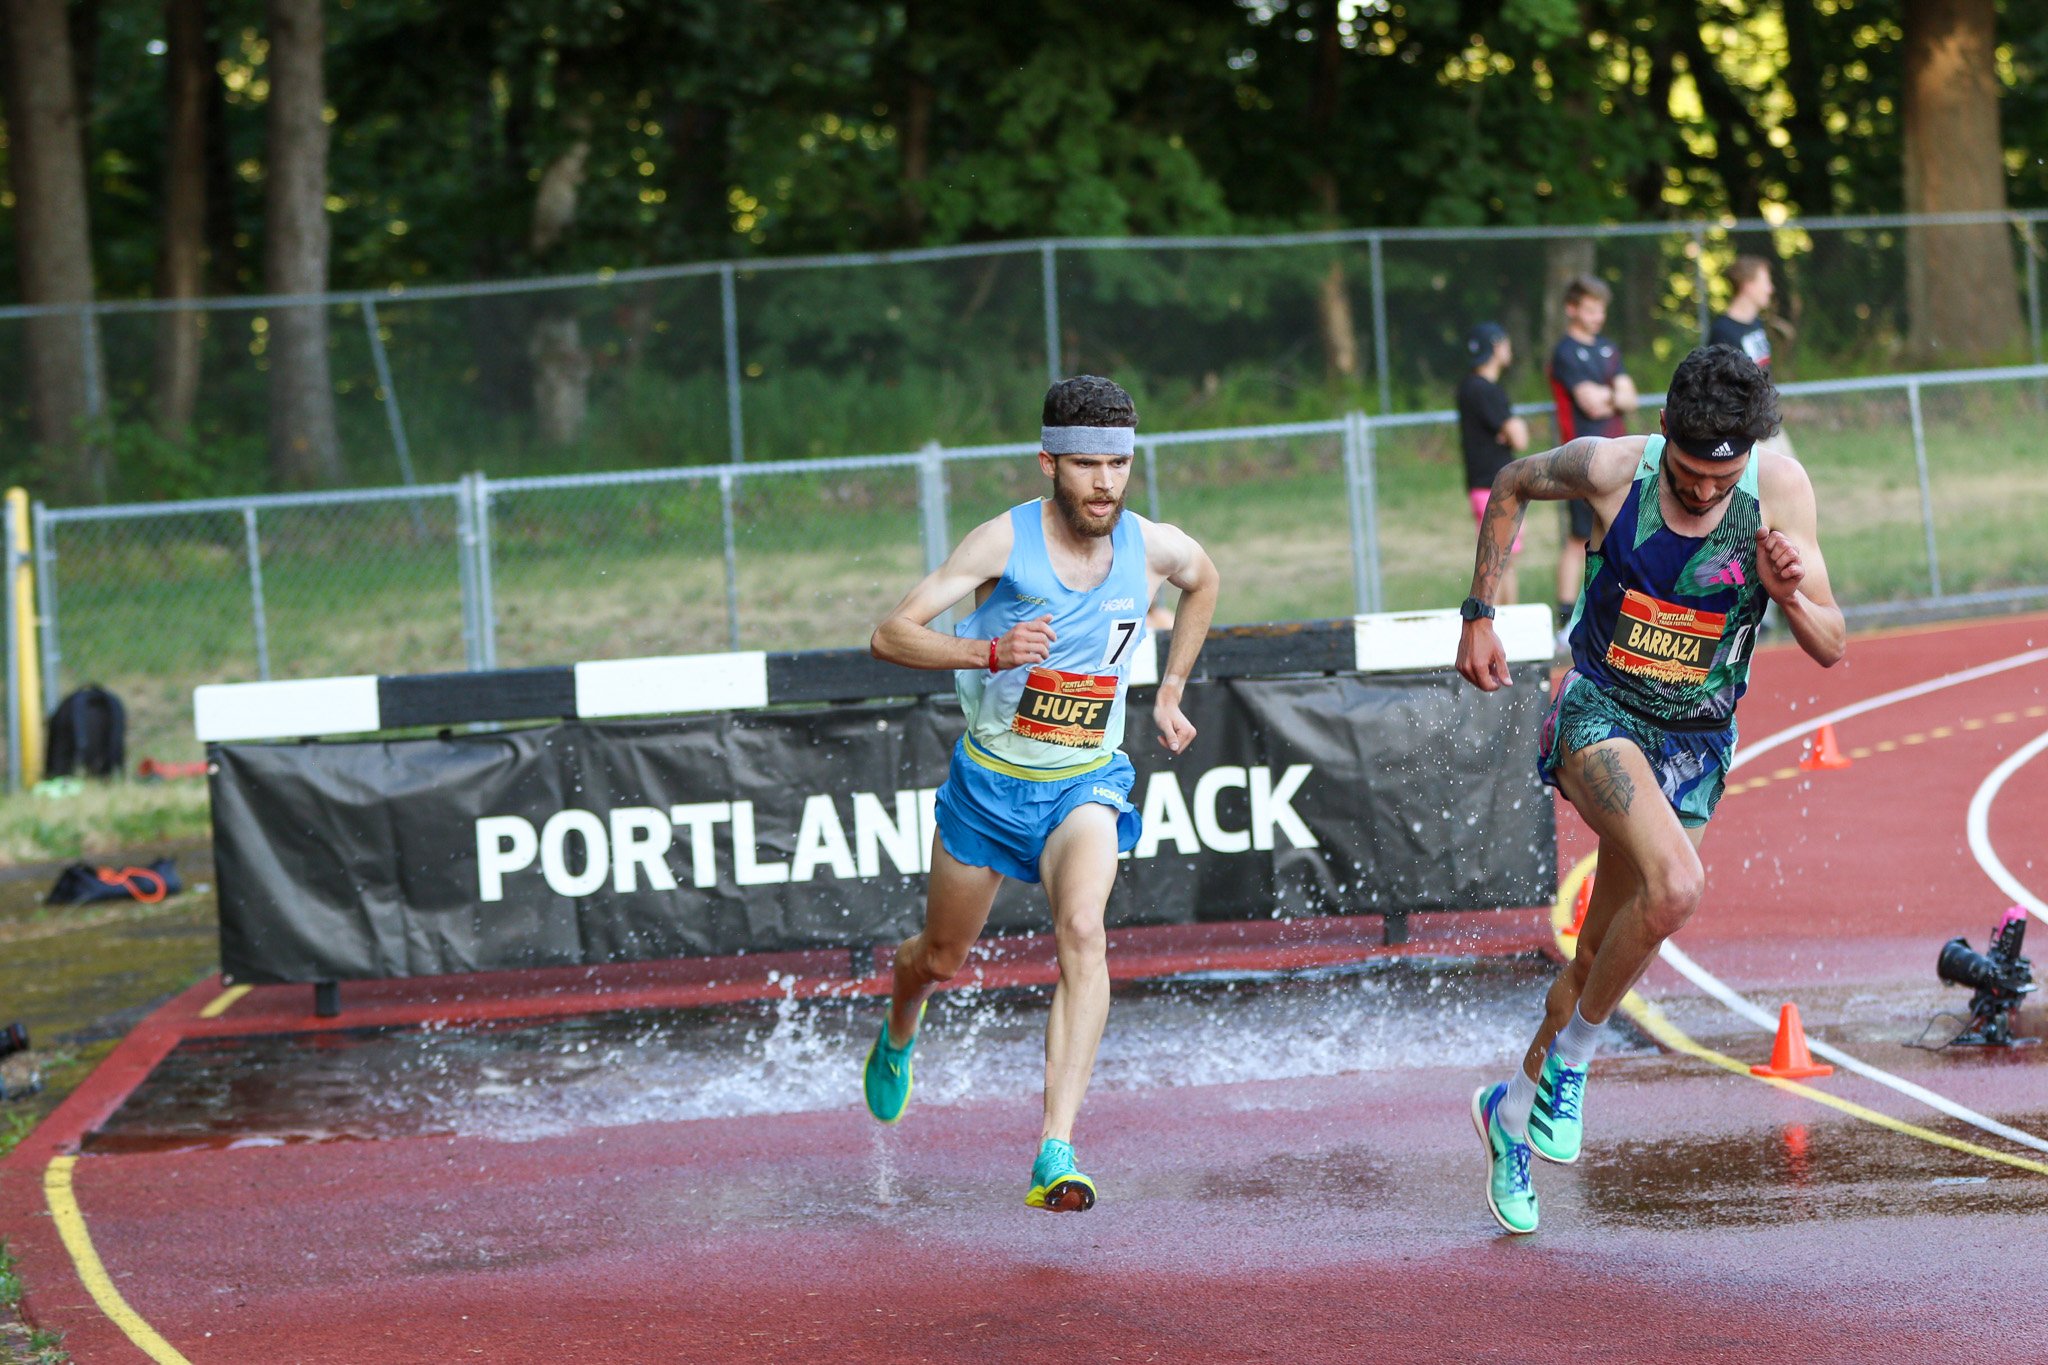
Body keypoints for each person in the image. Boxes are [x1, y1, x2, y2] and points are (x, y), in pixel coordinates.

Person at [1454, 343, 1845, 1234]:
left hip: (1696, 746)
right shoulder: (1610, 468)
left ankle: (1511, 1110)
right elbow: (1510, 481)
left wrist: (1791, 597)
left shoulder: (1780, 493)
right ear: (1663, 430)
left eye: (1724, 476)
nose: (1706, 494)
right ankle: (1576, 1067)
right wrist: (1478, 613)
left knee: (1598, 957)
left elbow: (1832, 643)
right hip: (1597, 712)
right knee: (1679, 887)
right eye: (1690, 474)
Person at [863, 374, 1222, 1212]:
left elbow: (1203, 579)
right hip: (990, 787)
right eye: (1087, 465)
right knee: (940, 958)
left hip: (1083, 783)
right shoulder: (1001, 544)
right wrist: (988, 654)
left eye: (1119, 464)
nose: (1104, 482)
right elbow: (889, 634)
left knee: (1086, 929)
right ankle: (899, 1024)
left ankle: (1054, 1146)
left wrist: (1169, 689)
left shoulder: (1150, 545)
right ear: (1049, 462)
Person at [1547, 275, 1638, 642]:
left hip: (1619, 459)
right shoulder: (1566, 352)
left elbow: (1629, 397)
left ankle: (1615, 612)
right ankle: (1565, 620)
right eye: (1589, 309)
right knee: (1579, 537)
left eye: (1601, 309)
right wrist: (1611, 393)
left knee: (1621, 533)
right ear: (1572, 310)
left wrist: (1612, 396)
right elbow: (1589, 402)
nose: (1597, 316)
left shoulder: (1608, 349)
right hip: (1583, 459)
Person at [1457, 323, 1532, 604]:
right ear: (1495, 347)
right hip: (1493, 486)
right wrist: (1509, 432)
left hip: (1483, 485)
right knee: (1501, 564)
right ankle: (1500, 628)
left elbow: (1511, 434)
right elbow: (1520, 437)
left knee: (1502, 561)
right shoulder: (1485, 390)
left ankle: (1504, 627)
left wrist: (1508, 433)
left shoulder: (1468, 387)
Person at [1708, 255, 1775, 369]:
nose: (1770, 289)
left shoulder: (1756, 323)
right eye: (1765, 282)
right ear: (1748, 286)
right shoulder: (1723, 331)